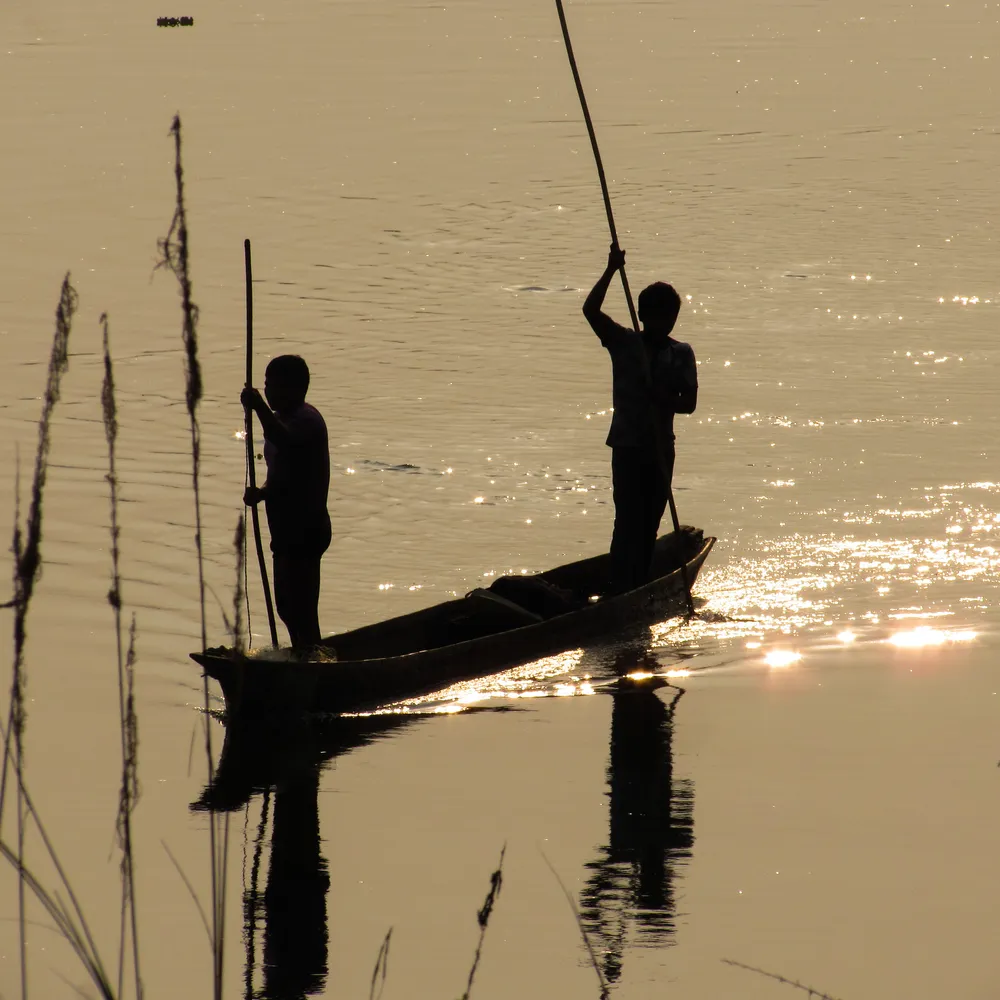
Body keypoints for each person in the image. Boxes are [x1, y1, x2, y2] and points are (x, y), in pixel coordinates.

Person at [582, 245, 698, 592]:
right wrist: (611, 270)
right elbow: (590, 310)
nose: (666, 324)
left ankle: (639, 584)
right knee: (626, 522)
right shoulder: (625, 343)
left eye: (670, 317)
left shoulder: (680, 353)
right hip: (628, 446)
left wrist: (659, 396)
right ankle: (619, 587)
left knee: (649, 522)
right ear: (643, 315)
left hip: (660, 448)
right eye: (660, 317)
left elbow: (689, 403)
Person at [241, 355, 331, 648]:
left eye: (272, 385)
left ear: (294, 388)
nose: (267, 391)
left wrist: (258, 408)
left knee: (301, 610)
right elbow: (284, 474)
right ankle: (303, 655)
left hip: (306, 531)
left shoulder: (307, 421)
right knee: (287, 609)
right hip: (285, 532)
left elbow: (286, 442)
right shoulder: (280, 420)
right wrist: (262, 492)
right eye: (266, 385)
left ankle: (313, 660)